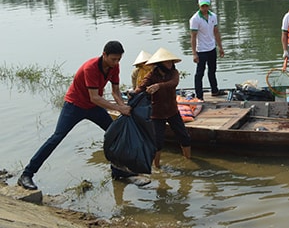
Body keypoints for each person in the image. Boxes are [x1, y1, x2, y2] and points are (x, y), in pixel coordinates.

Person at [17, 41, 145, 191]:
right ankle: (26, 174)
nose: (116, 62)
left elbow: (115, 91)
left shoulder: (114, 66)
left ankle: (118, 171)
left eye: (119, 59)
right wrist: (118, 108)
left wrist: (123, 106)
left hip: (94, 108)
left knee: (115, 136)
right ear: (104, 54)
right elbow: (94, 97)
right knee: (56, 137)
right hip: (75, 106)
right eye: (113, 59)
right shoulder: (90, 68)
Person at [135, 47, 191, 169]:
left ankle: (189, 160)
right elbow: (142, 87)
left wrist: (158, 86)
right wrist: (134, 93)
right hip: (157, 113)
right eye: (167, 62)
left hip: (172, 111)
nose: (170, 64)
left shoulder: (174, 73)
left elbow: (173, 83)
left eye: (171, 62)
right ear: (159, 64)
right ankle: (157, 166)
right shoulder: (151, 76)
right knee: (157, 142)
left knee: (184, 136)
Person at [190, 0, 226, 100]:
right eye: (202, 6)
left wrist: (220, 47)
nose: (204, 8)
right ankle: (199, 95)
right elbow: (193, 37)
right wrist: (194, 53)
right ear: (199, 6)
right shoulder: (195, 19)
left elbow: (216, 32)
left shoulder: (213, 16)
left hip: (211, 48)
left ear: (209, 5)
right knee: (199, 73)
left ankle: (214, 90)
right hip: (201, 50)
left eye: (206, 6)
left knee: (212, 70)